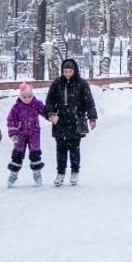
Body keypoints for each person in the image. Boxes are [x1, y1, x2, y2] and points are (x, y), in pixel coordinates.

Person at [45, 57, 98, 187]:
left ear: (74, 71)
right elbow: (49, 101)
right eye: (65, 71)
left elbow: (89, 102)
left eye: (70, 71)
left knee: (74, 148)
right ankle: (61, 172)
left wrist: (92, 118)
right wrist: (51, 113)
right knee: (61, 148)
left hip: (76, 121)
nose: (68, 74)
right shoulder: (57, 83)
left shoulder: (81, 84)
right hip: (60, 121)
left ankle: (75, 171)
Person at [6, 83, 47, 187]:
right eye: (24, 97)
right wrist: (13, 133)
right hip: (20, 135)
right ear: (20, 96)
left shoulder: (37, 104)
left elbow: (45, 112)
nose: (27, 99)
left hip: (34, 134)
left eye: (29, 96)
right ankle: (13, 174)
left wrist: (51, 115)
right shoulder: (16, 107)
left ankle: (37, 173)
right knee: (17, 154)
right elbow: (11, 120)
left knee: (35, 154)